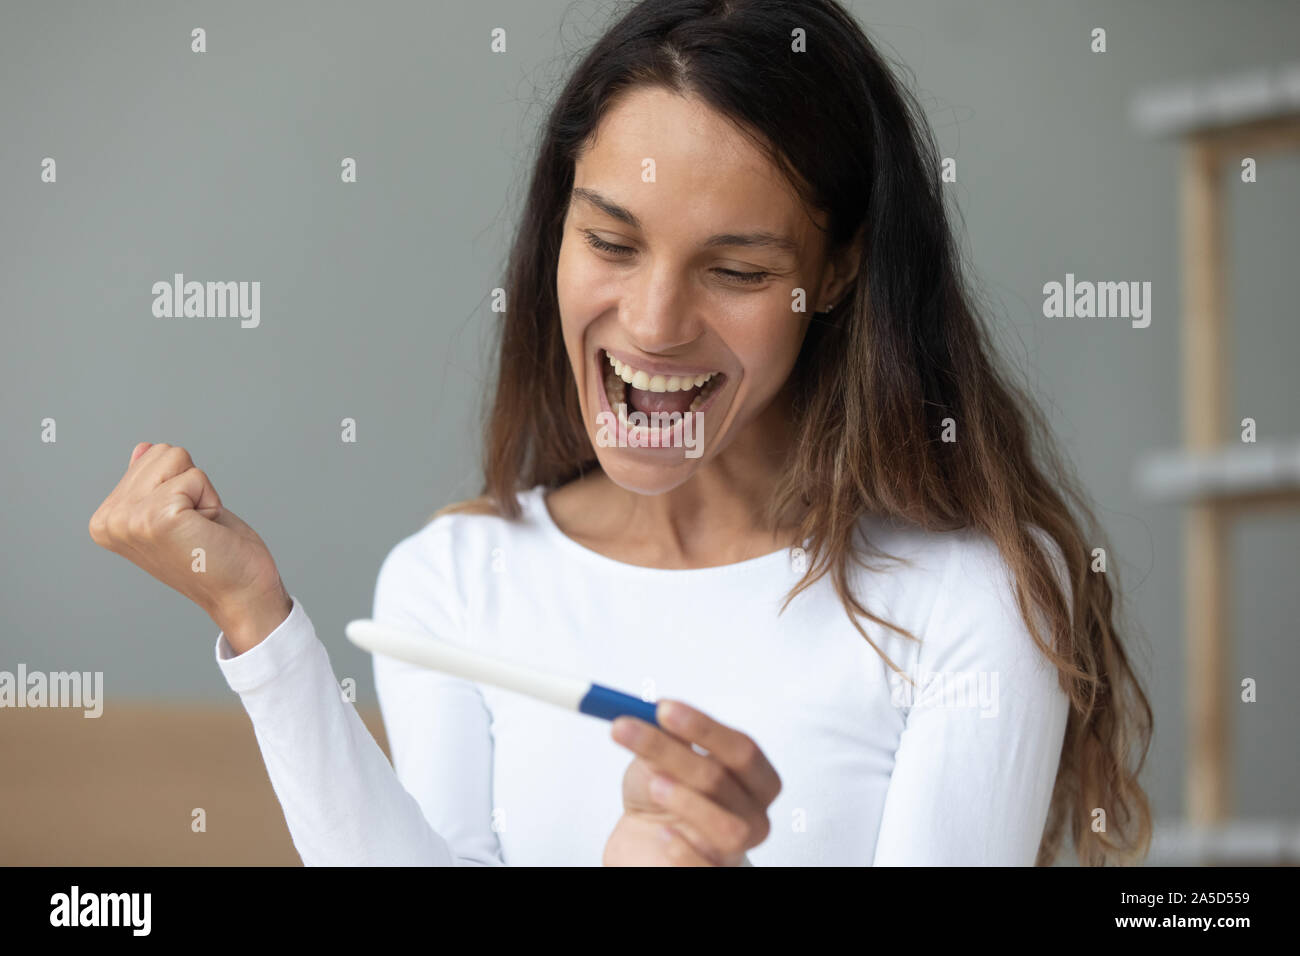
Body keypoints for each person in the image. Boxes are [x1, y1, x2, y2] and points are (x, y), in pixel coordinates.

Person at [88, 0, 1152, 866]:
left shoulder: (974, 597)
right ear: (556, 230)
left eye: (736, 270)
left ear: (835, 274)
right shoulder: (456, 581)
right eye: (610, 240)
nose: (651, 324)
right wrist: (254, 617)